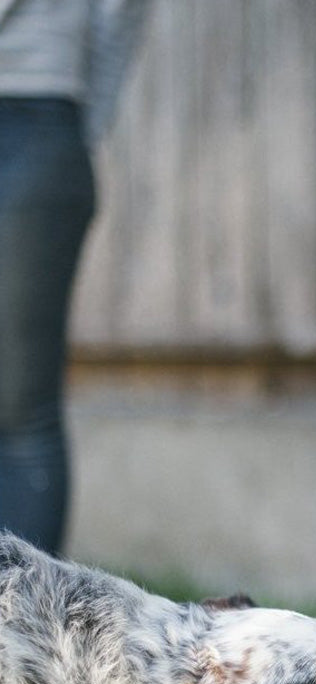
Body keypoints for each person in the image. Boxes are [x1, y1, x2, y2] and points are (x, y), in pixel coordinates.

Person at [0, 0, 150, 553]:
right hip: (45, 126)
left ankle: (20, 635)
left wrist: (73, 123)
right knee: (22, 422)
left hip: (36, 112)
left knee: (20, 417)